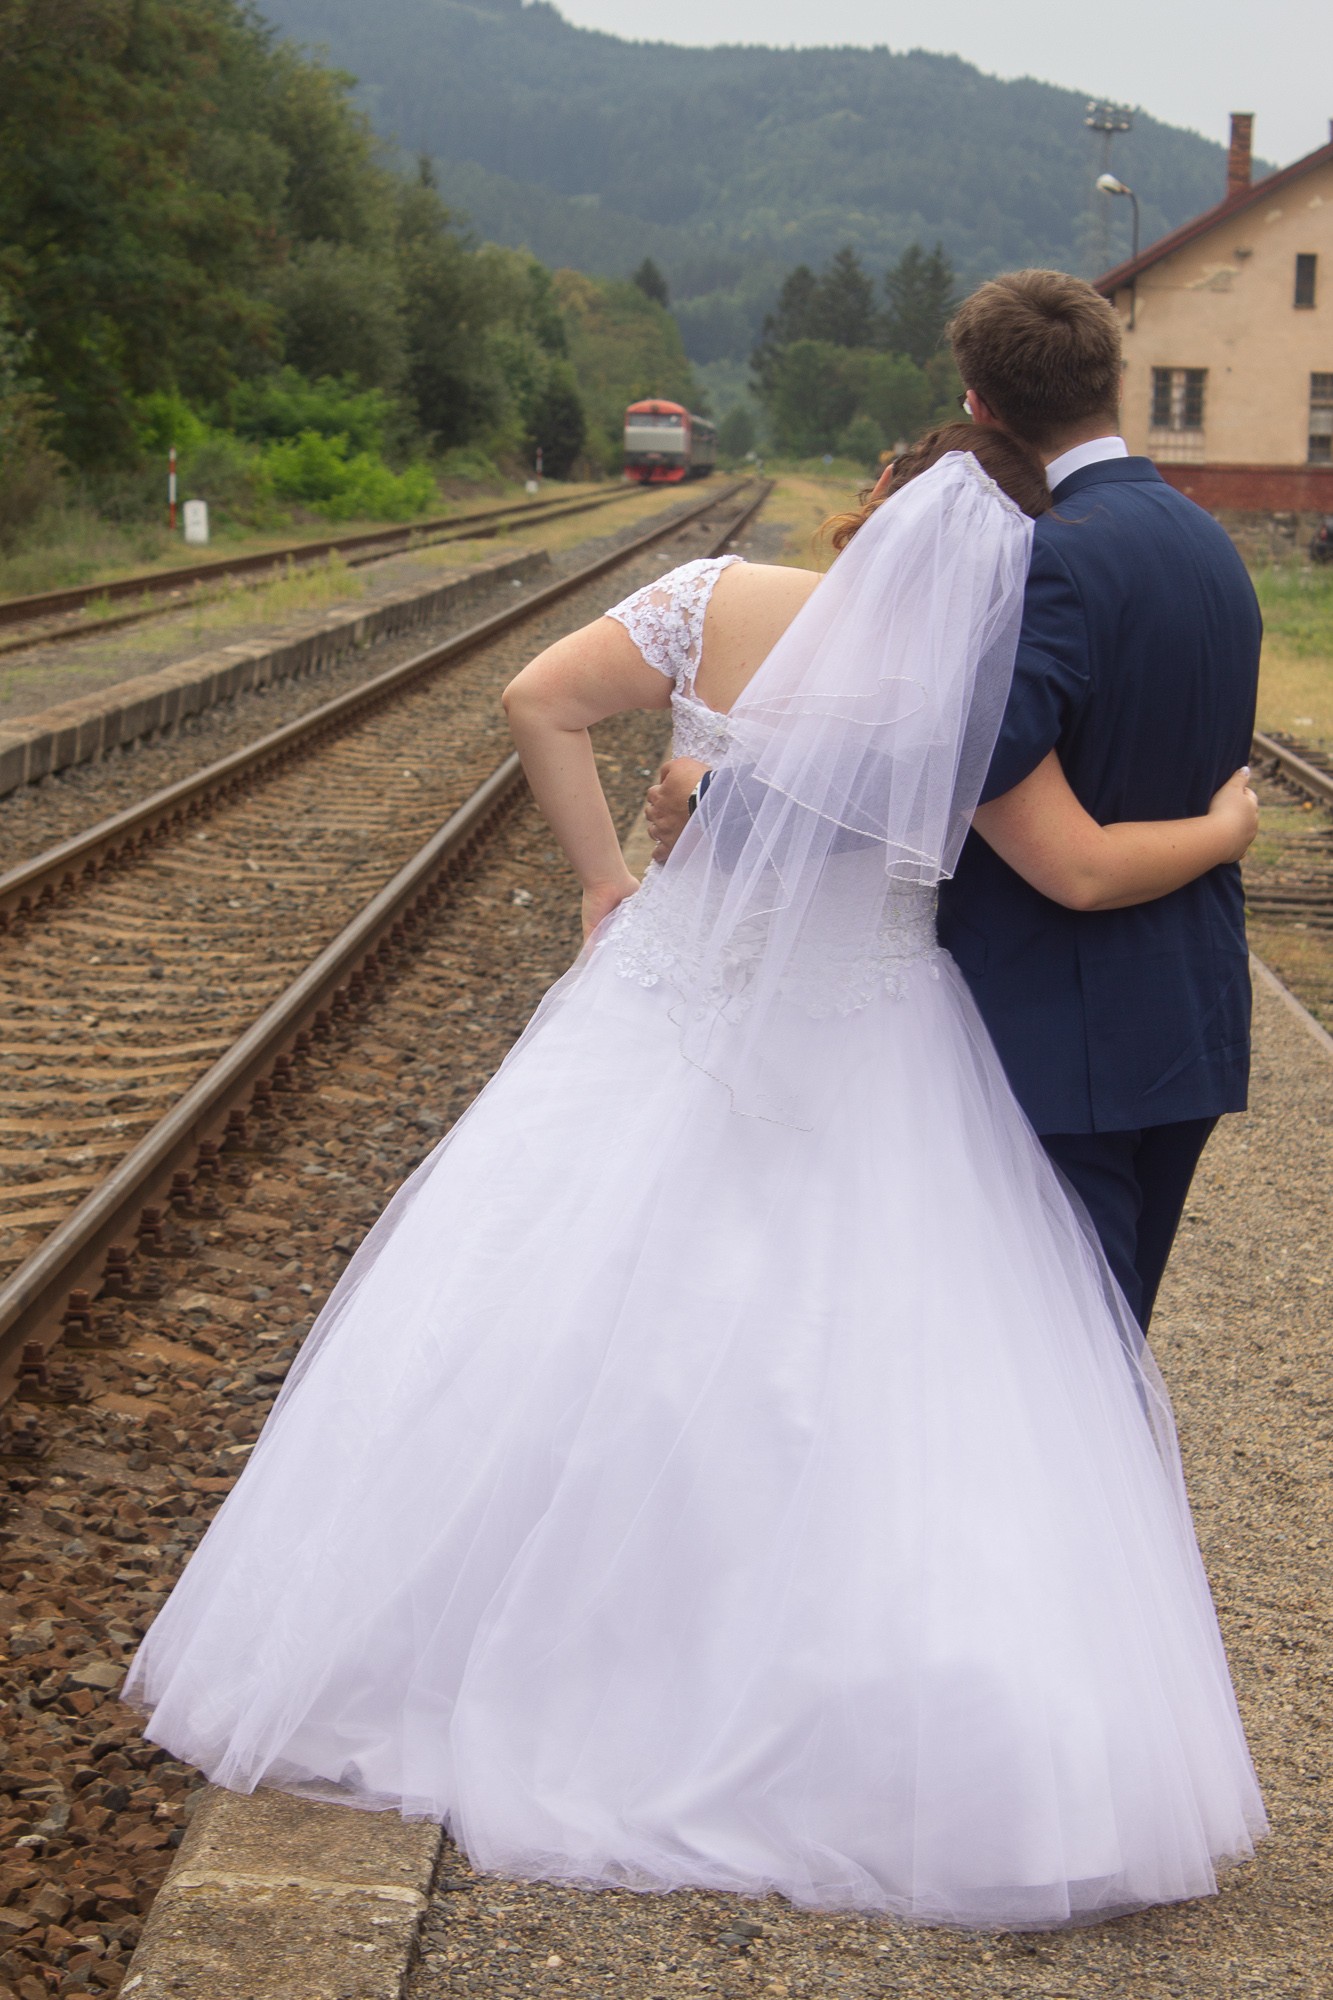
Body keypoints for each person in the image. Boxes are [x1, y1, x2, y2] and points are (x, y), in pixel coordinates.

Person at [124, 429, 1265, 1932]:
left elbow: (535, 699)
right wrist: (1225, 824)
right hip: (876, 1034)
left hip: (668, 998)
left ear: (866, 506)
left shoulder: (717, 593)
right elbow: (1063, 865)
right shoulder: (965, 677)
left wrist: (610, 878)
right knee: (863, 1366)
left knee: (555, 1303)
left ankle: (483, 1635)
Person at [648, 272, 1263, 1334]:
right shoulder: (1210, 548)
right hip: (1188, 1023)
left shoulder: (1044, 559)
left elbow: (940, 761)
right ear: (1114, 380)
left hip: (1062, 1037)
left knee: (1056, 1361)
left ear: (977, 402)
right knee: (1104, 1350)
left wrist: (722, 807)